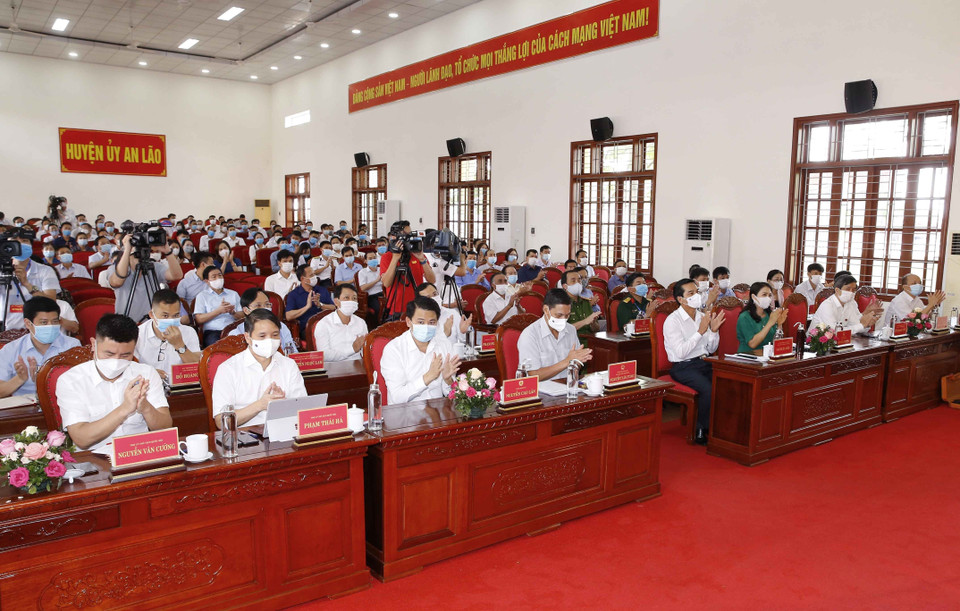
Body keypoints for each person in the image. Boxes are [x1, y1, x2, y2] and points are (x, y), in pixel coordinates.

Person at [57, 314, 171, 451]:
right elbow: (81, 439)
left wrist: (146, 408)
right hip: (94, 460)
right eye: (109, 354)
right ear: (94, 344)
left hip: (139, 453)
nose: (116, 361)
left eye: (125, 355)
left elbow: (165, 428)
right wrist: (125, 408)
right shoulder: (71, 380)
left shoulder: (146, 373)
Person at [211, 309, 307, 428]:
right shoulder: (228, 369)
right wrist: (260, 405)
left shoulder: (289, 364)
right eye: (262, 336)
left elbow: (303, 409)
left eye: (275, 335)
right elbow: (221, 422)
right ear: (248, 338)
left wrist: (284, 403)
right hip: (244, 438)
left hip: (283, 432)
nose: (270, 340)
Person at [663, 279, 724, 445]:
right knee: (708, 388)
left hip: (704, 361)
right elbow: (681, 353)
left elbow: (711, 348)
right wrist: (701, 331)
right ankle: (701, 429)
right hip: (683, 366)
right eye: (691, 293)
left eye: (696, 292)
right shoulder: (672, 321)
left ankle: (722, 427)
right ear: (681, 299)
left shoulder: (702, 316)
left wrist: (714, 331)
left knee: (727, 381)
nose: (696, 296)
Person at [380, 295, 461, 404]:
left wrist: (448, 380)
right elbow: (397, 397)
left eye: (432, 322)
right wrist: (428, 377)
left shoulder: (444, 344)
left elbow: (451, 394)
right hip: (406, 414)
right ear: (409, 322)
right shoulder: (394, 349)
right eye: (421, 322)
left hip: (438, 412)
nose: (426, 327)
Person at [0, 297, 80, 397]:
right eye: (44, 322)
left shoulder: (72, 346)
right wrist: (19, 379)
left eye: (55, 322)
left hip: (61, 404)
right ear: (28, 324)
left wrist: (47, 378)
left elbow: (82, 383)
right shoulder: (10, 350)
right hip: (25, 408)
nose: (50, 326)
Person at [516, 288, 593, 381]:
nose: (563, 319)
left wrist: (578, 361)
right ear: (546, 310)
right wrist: (567, 361)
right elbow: (533, 375)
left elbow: (576, 361)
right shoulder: (530, 335)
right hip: (541, 391)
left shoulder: (571, 329)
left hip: (567, 386)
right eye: (559, 315)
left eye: (567, 315)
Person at [108, 233, 183, 322]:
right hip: (125, 321)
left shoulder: (154, 266)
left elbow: (177, 275)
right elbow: (117, 281)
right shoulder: (115, 268)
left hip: (151, 321)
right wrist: (127, 249)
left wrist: (167, 251)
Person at [134, 289, 202, 381]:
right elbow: (130, 366)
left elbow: (195, 366)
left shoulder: (189, 332)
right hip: (148, 385)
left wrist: (179, 344)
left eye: (176, 315)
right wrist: (149, 372)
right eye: (165, 316)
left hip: (179, 387)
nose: (171, 321)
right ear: (152, 315)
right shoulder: (138, 334)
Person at [379, 223, 436, 320]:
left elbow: (432, 280)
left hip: (416, 308)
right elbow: (387, 283)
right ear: (395, 237)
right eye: (405, 234)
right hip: (395, 309)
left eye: (410, 234)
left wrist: (422, 259)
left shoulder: (416, 254)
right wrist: (395, 258)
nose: (408, 238)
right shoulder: (387, 257)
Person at [5, 237, 61, 330]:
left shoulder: (46, 270)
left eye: (24, 240)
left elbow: (51, 302)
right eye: (15, 241)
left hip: (36, 330)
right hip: (4, 328)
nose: (20, 245)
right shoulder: (1, 271)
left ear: (31, 246)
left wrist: (27, 284)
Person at [228, 288, 297, 353]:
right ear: (246, 310)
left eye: (267, 304)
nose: (264, 308)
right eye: (258, 305)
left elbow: (292, 352)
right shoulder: (236, 333)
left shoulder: (281, 327)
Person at [809, 274, 881, 334]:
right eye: (847, 289)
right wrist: (862, 325)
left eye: (853, 290)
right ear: (837, 290)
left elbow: (855, 325)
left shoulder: (851, 303)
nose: (851, 292)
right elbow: (834, 331)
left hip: (839, 342)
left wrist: (867, 324)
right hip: (816, 344)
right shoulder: (827, 305)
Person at [313, 284, 368, 361]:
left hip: (359, 366)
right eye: (346, 298)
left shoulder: (361, 322)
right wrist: (352, 349)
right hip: (335, 369)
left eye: (354, 298)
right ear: (336, 302)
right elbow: (324, 356)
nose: (351, 301)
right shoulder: (324, 324)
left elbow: (365, 350)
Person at [193, 266, 243, 346]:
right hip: (213, 332)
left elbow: (242, 316)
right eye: (214, 277)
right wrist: (218, 311)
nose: (218, 278)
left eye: (220, 275)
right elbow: (198, 319)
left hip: (233, 330)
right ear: (207, 281)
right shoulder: (202, 296)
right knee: (218, 348)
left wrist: (233, 312)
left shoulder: (233, 294)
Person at [737, 282, 788, 353]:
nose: (767, 298)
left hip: (767, 355)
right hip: (749, 356)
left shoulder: (769, 314)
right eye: (764, 295)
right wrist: (770, 323)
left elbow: (775, 342)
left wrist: (779, 325)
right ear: (754, 297)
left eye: (770, 295)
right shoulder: (744, 317)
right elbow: (752, 344)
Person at [881, 274, 947, 328]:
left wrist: (933, 306)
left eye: (920, 283)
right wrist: (930, 305)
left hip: (910, 333)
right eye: (914, 283)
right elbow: (914, 321)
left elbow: (923, 316)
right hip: (893, 335)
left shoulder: (917, 300)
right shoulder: (899, 301)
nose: (918, 285)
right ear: (905, 287)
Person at [285, 264, 334, 335]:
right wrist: (307, 307)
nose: (315, 277)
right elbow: (288, 316)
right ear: (302, 278)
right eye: (311, 275)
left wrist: (320, 305)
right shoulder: (293, 294)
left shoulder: (322, 290)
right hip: (308, 328)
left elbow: (333, 308)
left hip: (326, 325)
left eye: (314, 274)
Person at [562, 270, 600, 341]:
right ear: (565, 286)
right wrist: (585, 321)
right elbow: (561, 330)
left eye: (579, 280)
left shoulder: (586, 302)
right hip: (571, 343)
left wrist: (593, 323)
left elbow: (596, 329)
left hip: (590, 341)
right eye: (573, 281)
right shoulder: (561, 304)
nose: (578, 283)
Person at [357, 251, 383, 321]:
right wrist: (376, 281)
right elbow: (362, 288)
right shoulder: (362, 272)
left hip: (383, 293)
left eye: (374, 258)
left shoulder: (381, 269)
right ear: (365, 261)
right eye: (370, 258)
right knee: (379, 309)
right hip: (371, 296)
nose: (373, 260)